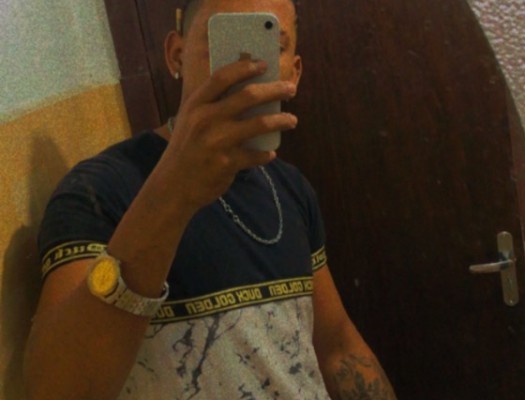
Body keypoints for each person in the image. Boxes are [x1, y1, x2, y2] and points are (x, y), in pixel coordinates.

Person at [23, 0, 398, 399]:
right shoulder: (99, 188)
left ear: (294, 72)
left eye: (271, 45)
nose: (248, 65)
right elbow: (54, 391)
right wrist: (172, 192)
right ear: (176, 54)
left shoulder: (290, 187)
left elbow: (338, 346)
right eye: (225, 42)